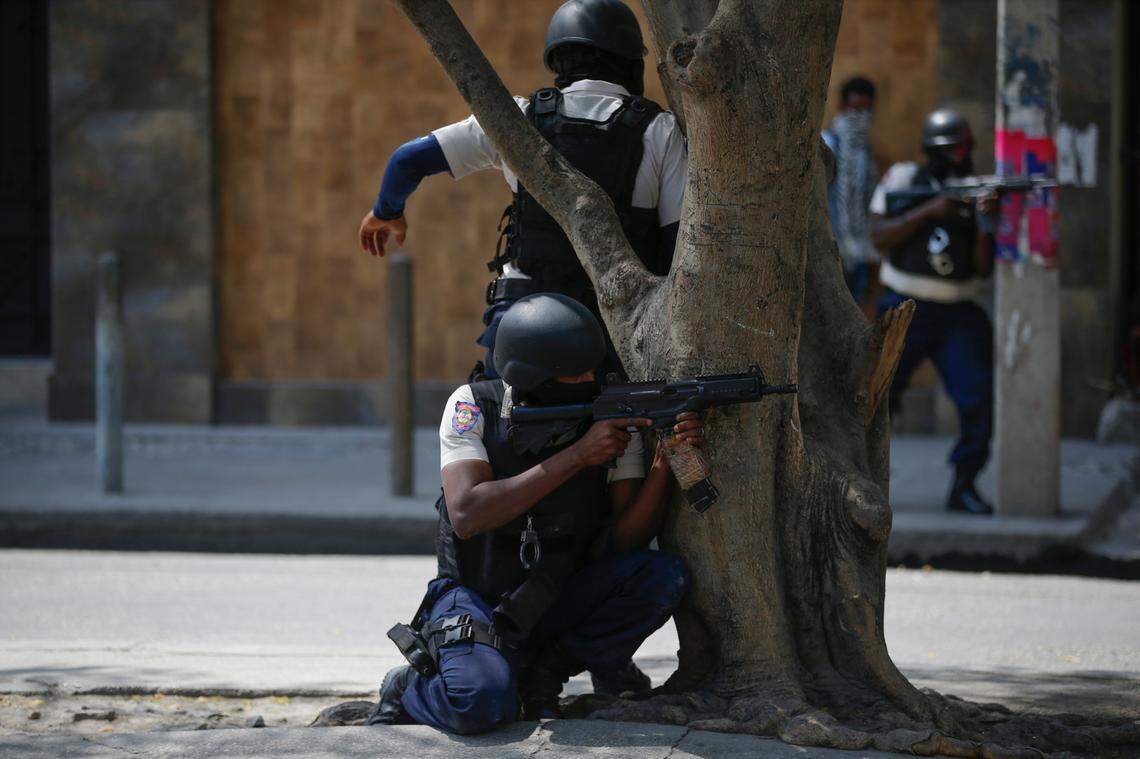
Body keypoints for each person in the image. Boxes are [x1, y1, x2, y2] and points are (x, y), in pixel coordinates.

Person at [365, 293, 698, 734]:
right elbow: (467, 513)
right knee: (478, 704)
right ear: (532, 375)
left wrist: (665, 463)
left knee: (660, 575)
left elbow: (625, 542)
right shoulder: (472, 407)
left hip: (557, 590)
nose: (587, 379)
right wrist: (578, 456)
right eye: (571, 373)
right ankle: (408, 687)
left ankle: (544, 678)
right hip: (475, 597)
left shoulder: (608, 415)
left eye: (590, 370)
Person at [358, 0, 688, 379]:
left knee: (505, 428)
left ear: (558, 59)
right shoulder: (660, 131)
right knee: (620, 437)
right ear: (631, 61)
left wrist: (386, 212)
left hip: (522, 328)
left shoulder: (519, 119)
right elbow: (675, 245)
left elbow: (407, 160)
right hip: (617, 339)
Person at [869, 108, 997, 516]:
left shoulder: (977, 188)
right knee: (876, 398)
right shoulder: (905, 179)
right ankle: (868, 482)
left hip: (958, 309)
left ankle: (965, 485)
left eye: (967, 147)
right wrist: (930, 211)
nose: (963, 154)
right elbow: (880, 236)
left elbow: (984, 267)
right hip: (904, 306)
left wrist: (984, 222)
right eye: (954, 147)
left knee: (976, 400)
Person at [823, 76, 880, 304]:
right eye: (856, 109)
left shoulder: (865, 152)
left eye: (867, 110)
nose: (861, 117)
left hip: (861, 249)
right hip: (831, 249)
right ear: (843, 107)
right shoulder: (828, 144)